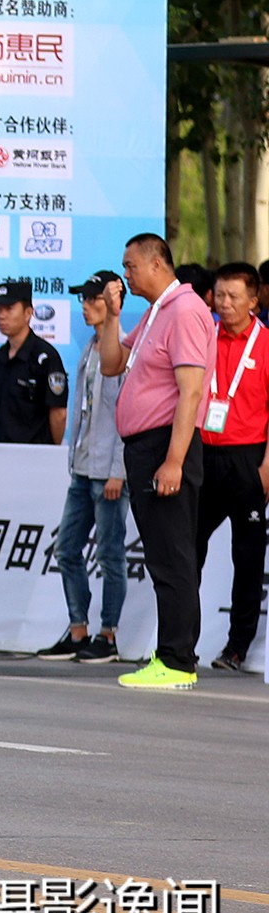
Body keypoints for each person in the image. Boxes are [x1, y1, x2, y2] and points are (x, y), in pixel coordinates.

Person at [92, 234, 215, 689]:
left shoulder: (184, 311)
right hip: (144, 448)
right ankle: (172, 653)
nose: (125, 275)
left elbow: (192, 392)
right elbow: (111, 364)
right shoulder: (157, 311)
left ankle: (178, 659)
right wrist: (112, 318)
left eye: (131, 266)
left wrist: (174, 460)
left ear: (157, 262)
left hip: (166, 446)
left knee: (173, 558)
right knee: (165, 556)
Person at [37, 270, 129, 664]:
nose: (85, 306)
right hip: (82, 466)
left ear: (113, 301)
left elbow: (129, 415)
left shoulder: (123, 348)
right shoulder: (90, 348)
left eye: (93, 299)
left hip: (109, 471)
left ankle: (108, 634)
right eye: (83, 299)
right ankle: (79, 630)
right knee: (67, 548)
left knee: (110, 555)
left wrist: (119, 470)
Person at [196, 262, 269, 673]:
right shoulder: (204, 334)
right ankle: (179, 641)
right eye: (219, 296)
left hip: (248, 459)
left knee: (248, 556)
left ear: (253, 301)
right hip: (205, 456)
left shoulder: (267, 344)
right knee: (187, 550)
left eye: (233, 297)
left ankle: (237, 647)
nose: (223, 304)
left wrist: (267, 466)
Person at [0, 279, 69, 447]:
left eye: (9, 309)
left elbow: (59, 413)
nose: (1, 315)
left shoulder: (45, 357)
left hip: (32, 456)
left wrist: (50, 453)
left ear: (28, 313)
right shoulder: (0, 356)